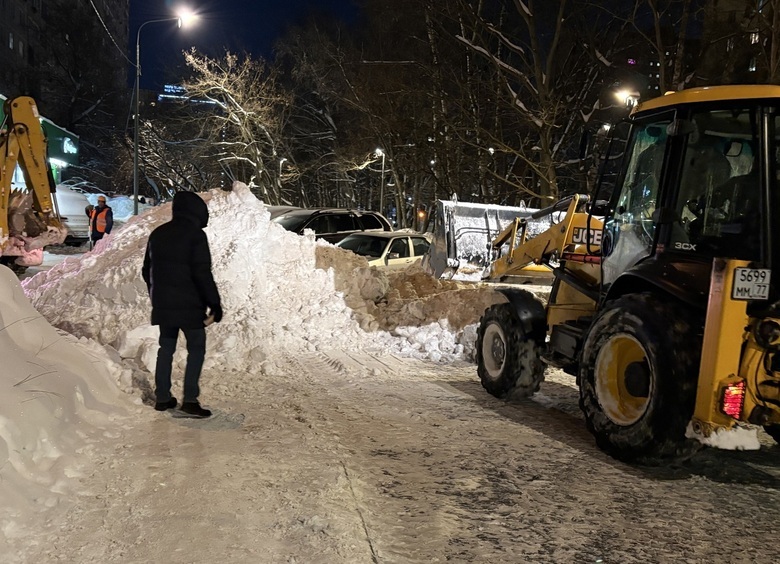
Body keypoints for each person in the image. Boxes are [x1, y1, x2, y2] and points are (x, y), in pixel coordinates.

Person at [141, 191, 223, 418]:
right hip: (190, 307)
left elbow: (146, 270)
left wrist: (156, 294)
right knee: (196, 349)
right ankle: (189, 400)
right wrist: (214, 303)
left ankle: (163, 398)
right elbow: (201, 272)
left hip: (164, 305)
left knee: (165, 349)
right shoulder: (195, 236)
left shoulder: (158, 234)